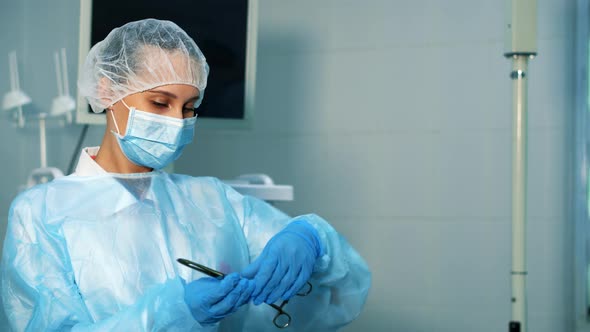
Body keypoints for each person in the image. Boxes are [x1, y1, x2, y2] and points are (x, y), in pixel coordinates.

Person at [1, 19, 371, 331]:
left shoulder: (212, 201)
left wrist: (312, 239)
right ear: (107, 90)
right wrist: (171, 312)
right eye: (160, 103)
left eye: (189, 107)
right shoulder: (41, 213)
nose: (177, 122)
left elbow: (342, 287)